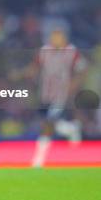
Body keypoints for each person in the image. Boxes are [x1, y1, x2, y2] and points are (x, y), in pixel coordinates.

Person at [29, 26, 86, 168]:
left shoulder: (71, 52)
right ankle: (71, 128)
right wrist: (28, 76)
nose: (56, 39)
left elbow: (82, 68)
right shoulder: (44, 52)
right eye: (53, 36)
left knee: (47, 124)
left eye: (59, 36)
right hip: (45, 94)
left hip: (61, 94)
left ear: (64, 37)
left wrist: (74, 84)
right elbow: (34, 67)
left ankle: (39, 159)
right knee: (50, 123)